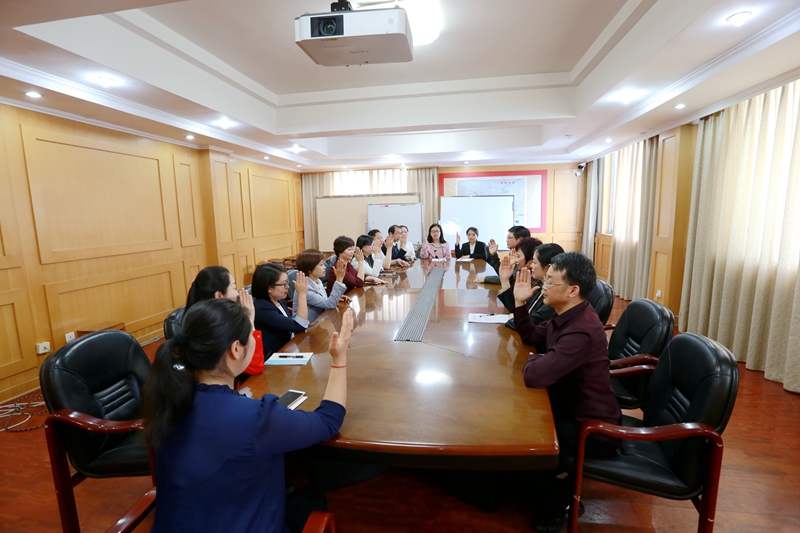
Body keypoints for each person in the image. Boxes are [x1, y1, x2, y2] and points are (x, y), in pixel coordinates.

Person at [142, 297, 354, 533]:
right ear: (235, 349)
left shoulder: (166, 402)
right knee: (312, 498)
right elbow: (328, 420)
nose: (255, 337)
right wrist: (339, 358)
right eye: (252, 333)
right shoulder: (257, 418)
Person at [511, 252, 621, 532]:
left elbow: (535, 375)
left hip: (591, 429)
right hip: (569, 407)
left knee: (524, 436)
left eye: (550, 282)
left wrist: (535, 359)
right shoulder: (569, 314)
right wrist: (520, 303)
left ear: (573, 290)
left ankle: (561, 502)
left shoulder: (580, 329)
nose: (543, 287)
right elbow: (533, 337)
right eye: (545, 280)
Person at [184, 266, 259, 384]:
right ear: (219, 295)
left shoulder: (195, 317)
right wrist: (249, 321)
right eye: (234, 287)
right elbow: (254, 367)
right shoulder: (217, 326)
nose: (238, 293)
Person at [253, 263, 309, 359]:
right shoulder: (263, 308)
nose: (288, 287)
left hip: (287, 347)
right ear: (269, 288)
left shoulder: (279, 299)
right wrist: (302, 295)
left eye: (287, 282)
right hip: (272, 356)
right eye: (284, 284)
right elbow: (300, 325)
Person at [294, 249, 351, 323]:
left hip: (320, 322)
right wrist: (339, 278)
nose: (324, 267)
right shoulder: (305, 288)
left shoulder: (317, 281)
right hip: (308, 327)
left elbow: (324, 299)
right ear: (310, 269)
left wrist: (336, 297)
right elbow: (330, 304)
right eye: (321, 265)